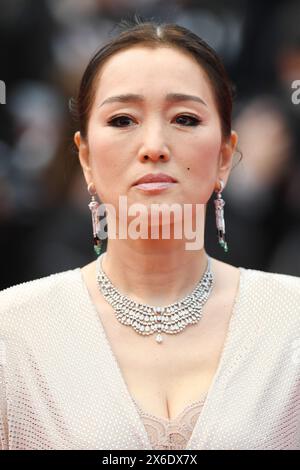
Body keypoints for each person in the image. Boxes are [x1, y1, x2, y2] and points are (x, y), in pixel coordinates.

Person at [0, 18, 300, 451]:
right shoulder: (14, 331)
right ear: (85, 157)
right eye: (122, 120)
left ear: (224, 156)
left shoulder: (290, 321)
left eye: (184, 118)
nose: (154, 145)